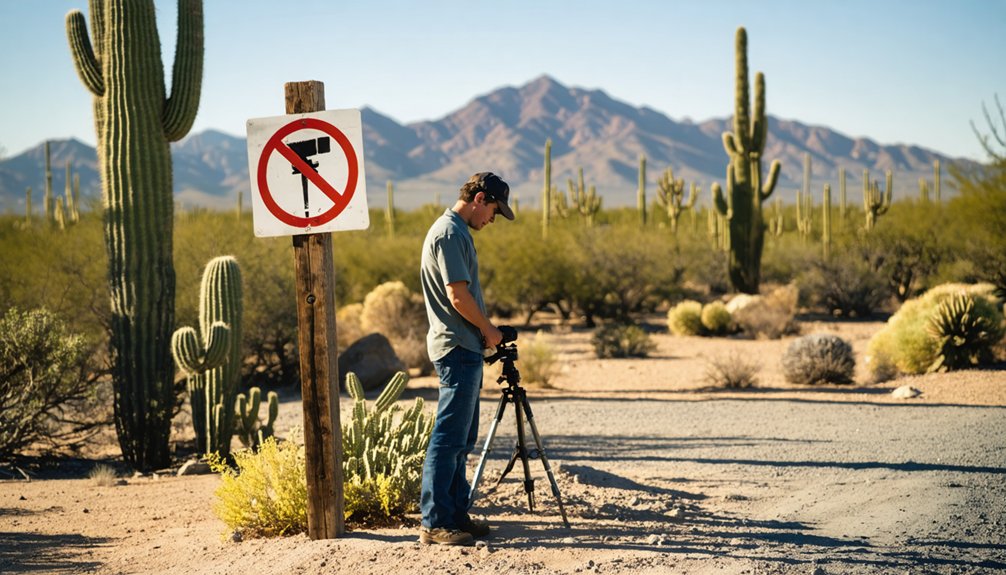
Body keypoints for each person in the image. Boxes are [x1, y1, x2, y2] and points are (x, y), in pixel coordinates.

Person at [418, 171, 515, 546]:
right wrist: (490, 331)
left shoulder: (456, 232)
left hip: (465, 347)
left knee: (462, 437)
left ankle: (456, 513)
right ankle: (436, 521)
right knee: (448, 437)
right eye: (493, 209)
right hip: (456, 346)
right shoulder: (449, 233)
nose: (492, 219)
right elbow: (458, 296)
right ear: (479, 198)